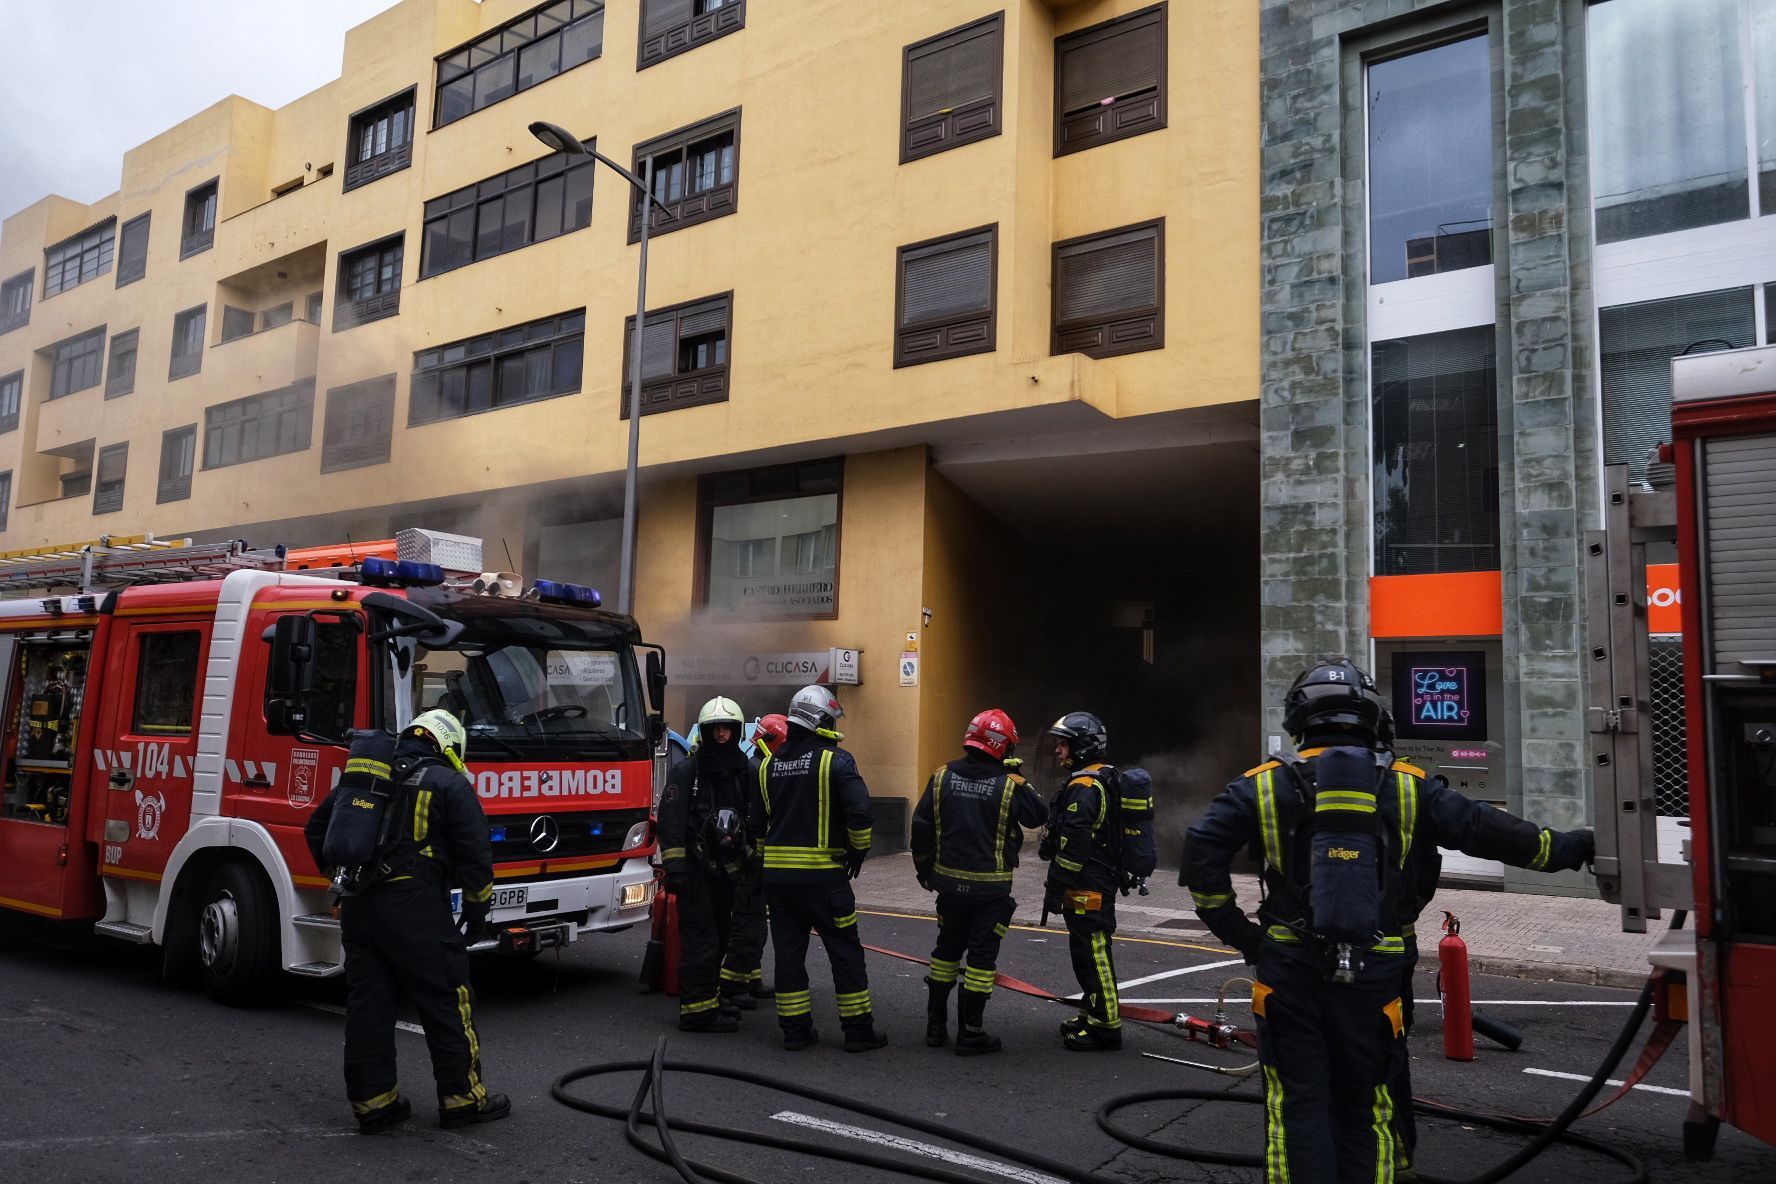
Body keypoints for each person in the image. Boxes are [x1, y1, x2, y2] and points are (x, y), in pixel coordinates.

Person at [1181, 659, 1594, 1184]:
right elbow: (1493, 833)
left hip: (1289, 968)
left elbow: (1200, 855)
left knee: (1295, 1104)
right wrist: (1572, 848)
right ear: (1371, 715)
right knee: (1369, 1107)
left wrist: (1241, 935)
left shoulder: (1262, 786)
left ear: (1298, 719)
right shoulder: (1407, 786)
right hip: (1376, 971)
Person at [303, 710, 510, 1133]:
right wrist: (476, 914)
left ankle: (375, 1104)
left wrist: (340, 881)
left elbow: (316, 829)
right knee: (447, 999)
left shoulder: (367, 778)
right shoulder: (448, 782)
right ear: (448, 746)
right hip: (415, 908)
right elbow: (476, 856)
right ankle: (462, 1100)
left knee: (368, 1006)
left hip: (360, 909)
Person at [750, 684, 886, 1052]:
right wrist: (858, 852)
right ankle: (858, 1032)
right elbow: (860, 814)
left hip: (778, 885)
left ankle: (795, 1032)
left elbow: (757, 830)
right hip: (825, 881)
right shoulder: (836, 761)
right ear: (819, 720)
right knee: (844, 951)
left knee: (788, 954)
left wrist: (769, 867)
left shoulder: (767, 767)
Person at [910, 708, 1047, 1055]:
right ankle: (971, 1033)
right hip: (991, 890)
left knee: (945, 953)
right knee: (981, 960)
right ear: (1004, 747)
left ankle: (935, 1028)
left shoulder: (941, 775)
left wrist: (924, 870)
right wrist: (1018, 776)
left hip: (949, 887)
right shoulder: (1008, 784)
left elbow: (922, 827)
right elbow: (1039, 816)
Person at [658, 696, 760, 1031]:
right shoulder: (687, 771)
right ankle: (697, 1012)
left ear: (736, 731)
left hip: (730, 872)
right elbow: (671, 820)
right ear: (705, 730)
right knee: (702, 938)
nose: (721, 735)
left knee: (720, 934)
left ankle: (710, 999)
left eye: (727, 729)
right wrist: (676, 869)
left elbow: (755, 818)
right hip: (696, 871)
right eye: (715, 729)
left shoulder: (744, 771)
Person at [1038, 711, 1124, 1052]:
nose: (1059, 751)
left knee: (1093, 951)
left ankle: (1106, 1027)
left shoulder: (1086, 787)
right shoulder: (1095, 779)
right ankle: (1092, 1014)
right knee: (1084, 949)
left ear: (1083, 747)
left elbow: (1074, 846)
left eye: (1064, 744)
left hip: (1090, 880)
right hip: (1088, 878)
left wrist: (1055, 887)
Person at [715, 714, 789, 1011]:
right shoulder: (758, 770)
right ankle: (733, 986)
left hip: (753, 857)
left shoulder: (755, 764)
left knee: (756, 922)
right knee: (749, 924)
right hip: (750, 860)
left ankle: (750, 978)